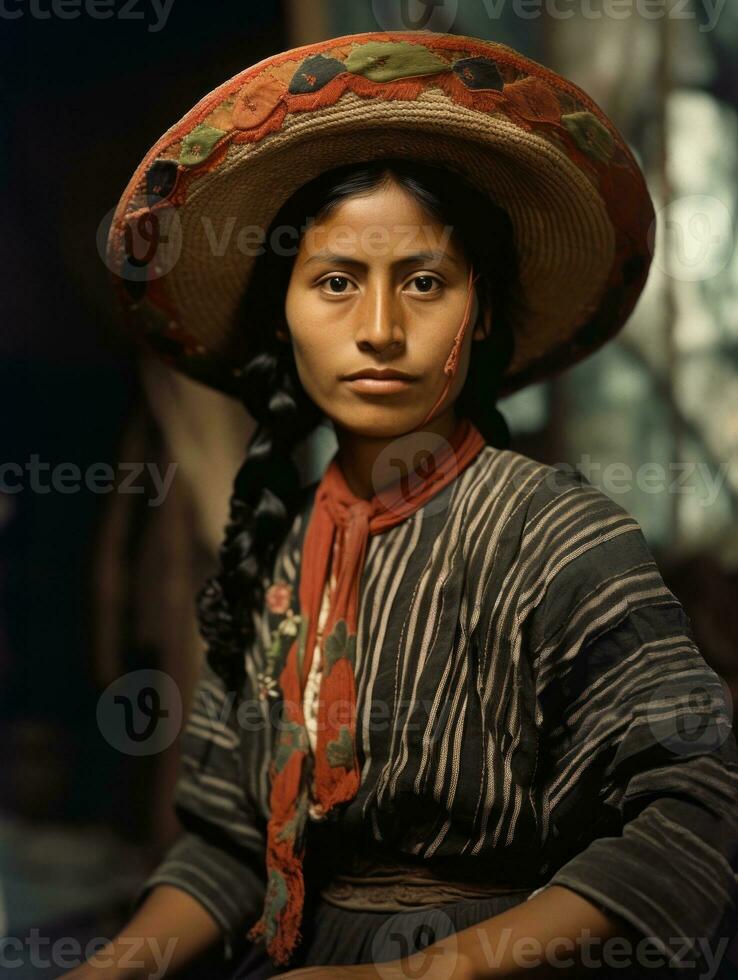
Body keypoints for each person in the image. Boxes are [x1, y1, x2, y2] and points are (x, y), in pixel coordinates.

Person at [71, 31, 738, 980]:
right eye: (336, 283)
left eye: (424, 284)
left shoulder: (553, 536)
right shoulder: (273, 549)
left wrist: (420, 972)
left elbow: (692, 810)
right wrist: (118, 966)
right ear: (281, 317)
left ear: (487, 314)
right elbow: (228, 842)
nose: (380, 331)